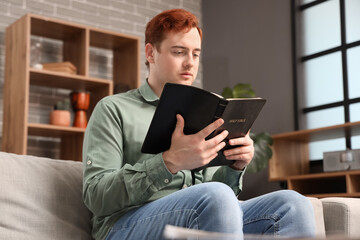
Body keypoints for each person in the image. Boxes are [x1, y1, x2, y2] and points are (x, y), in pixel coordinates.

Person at [82, 8, 316, 240]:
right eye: (179, 52)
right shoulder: (112, 108)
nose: (190, 63)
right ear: (151, 53)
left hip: (198, 214)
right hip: (125, 226)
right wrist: (169, 162)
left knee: (292, 204)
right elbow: (96, 196)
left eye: (195, 54)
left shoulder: (205, 110)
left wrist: (235, 166)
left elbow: (222, 199)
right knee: (215, 196)